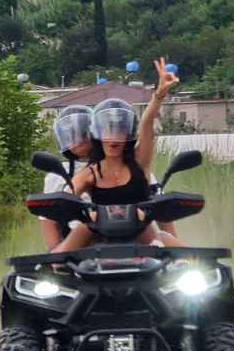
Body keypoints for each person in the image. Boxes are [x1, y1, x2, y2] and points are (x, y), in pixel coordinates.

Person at [54, 59, 182, 252]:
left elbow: (147, 126)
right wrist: (60, 203)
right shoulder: (90, 173)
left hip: (143, 236)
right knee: (55, 259)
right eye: (107, 131)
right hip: (97, 238)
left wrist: (159, 94)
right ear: (96, 134)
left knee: (195, 262)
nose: (113, 139)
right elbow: (68, 195)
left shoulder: (140, 163)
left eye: (119, 131)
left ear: (129, 133)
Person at [39, 104, 94, 250]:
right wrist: (56, 254)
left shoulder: (117, 163)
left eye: (84, 131)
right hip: (77, 246)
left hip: (124, 235)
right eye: (71, 134)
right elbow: (48, 219)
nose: (79, 138)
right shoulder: (57, 175)